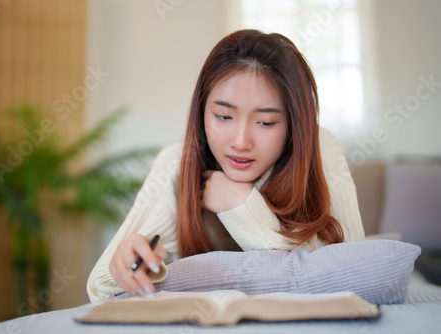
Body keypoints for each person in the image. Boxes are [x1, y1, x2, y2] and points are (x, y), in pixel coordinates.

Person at [87, 29, 365, 304]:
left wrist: (242, 205)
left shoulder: (319, 146)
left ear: (295, 125)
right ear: (202, 111)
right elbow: (100, 287)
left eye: (266, 123)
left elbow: (356, 278)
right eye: (223, 116)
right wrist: (126, 268)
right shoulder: (177, 164)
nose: (241, 142)